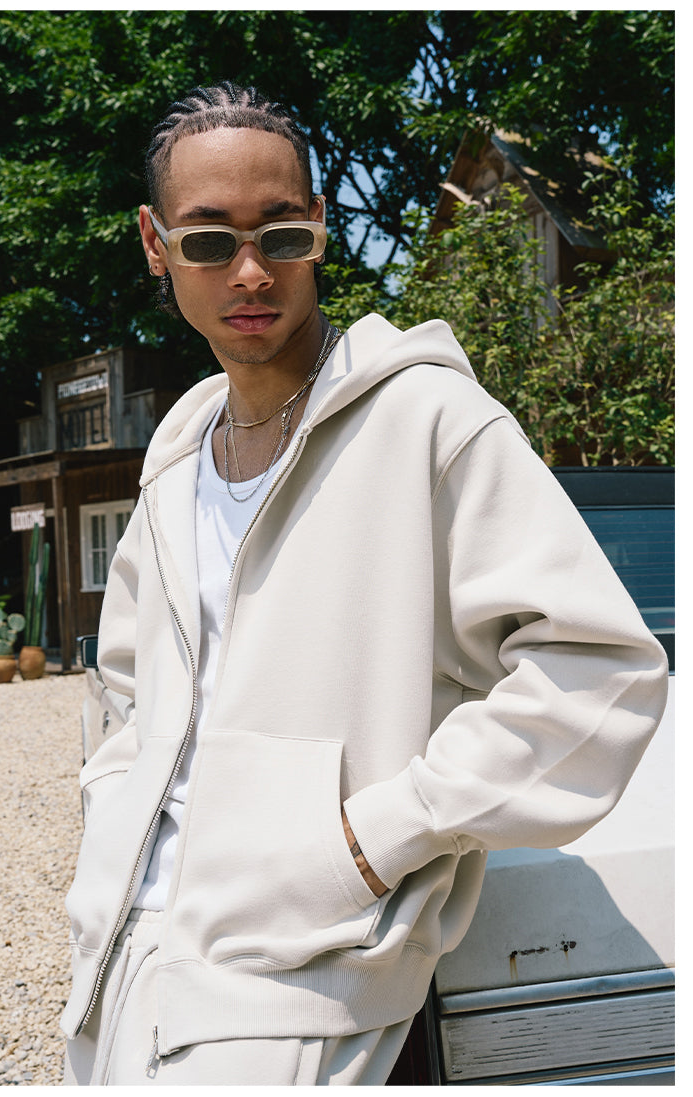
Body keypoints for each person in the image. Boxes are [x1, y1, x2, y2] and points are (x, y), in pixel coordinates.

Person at [61, 81, 668, 1086]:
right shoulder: (176, 455)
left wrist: (370, 839)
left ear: (321, 228)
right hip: (121, 969)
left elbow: (598, 667)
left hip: (306, 984)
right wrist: (108, 824)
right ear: (154, 244)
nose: (250, 271)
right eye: (208, 240)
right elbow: (128, 686)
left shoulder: (427, 421)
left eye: (282, 234)